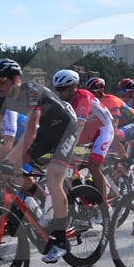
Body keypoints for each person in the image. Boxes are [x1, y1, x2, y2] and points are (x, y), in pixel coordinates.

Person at [0, 59, 78, 263]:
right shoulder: (3, 99)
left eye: (0, 80)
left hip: (66, 131)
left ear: (15, 80)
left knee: (53, 177)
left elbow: (30, 132)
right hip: (47, 134)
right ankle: (42, 205)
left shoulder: (31, 91)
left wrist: (7, 161)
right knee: (4, 171)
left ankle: (61, 241)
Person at [51, 70, 114, 201]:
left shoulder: (83, 96)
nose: (59, 93)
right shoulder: (62, 100)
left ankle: (105, 206)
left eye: (62, 89)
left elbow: (80, 124)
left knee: (93, 166)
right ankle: (78, 182)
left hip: (102, 129)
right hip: (87, 131)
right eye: (57, 89)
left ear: (73, 87)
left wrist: (69, 146)